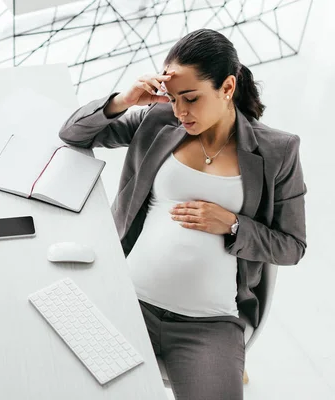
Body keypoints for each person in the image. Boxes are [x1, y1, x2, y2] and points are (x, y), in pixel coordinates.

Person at [58, 28, 307, 400]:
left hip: (208, 326)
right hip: (126, 300)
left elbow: (292, 246)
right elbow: (73, 134)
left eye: (190, 98)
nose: (180, 111)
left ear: (226, 88)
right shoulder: (159, 121)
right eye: (173, 98)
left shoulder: (278, 151)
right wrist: (123, 100)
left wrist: (233, 224)